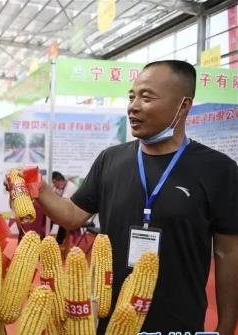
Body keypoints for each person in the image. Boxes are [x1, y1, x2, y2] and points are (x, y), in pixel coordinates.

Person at [30, 60, 238, 334]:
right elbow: (72, 215)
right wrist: (38, 188)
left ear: (183, 106)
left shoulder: (218, 169)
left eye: (146, 97)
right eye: (131, 96)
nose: (133, 106)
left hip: (179, 321)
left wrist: (225, 326)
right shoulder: (111, 160)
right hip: (113, 319)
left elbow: (228, 252)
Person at [49, 171, 78, 245]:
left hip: (75, 213)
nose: (54, 185)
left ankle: (58, 243)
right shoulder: (59, 187)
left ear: (60, 180)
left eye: (54, 182)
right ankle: (48, 239)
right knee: (49, 218)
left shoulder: (70, 187)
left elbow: (64, 203)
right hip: (65, 211)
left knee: (62, 221)